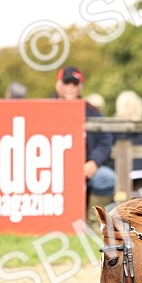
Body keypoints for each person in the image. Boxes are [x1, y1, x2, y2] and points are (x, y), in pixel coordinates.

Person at [55, 65, 115, 210]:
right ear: (58, 85)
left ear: (80, 87)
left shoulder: (92, 112)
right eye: (67, 83)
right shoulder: (46, 109)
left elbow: (105, 141)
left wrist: (94, 162)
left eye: (75, 84)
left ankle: (94, 221)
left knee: (107, 178)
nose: (71, 87)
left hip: (84, 168)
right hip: (53, 169)